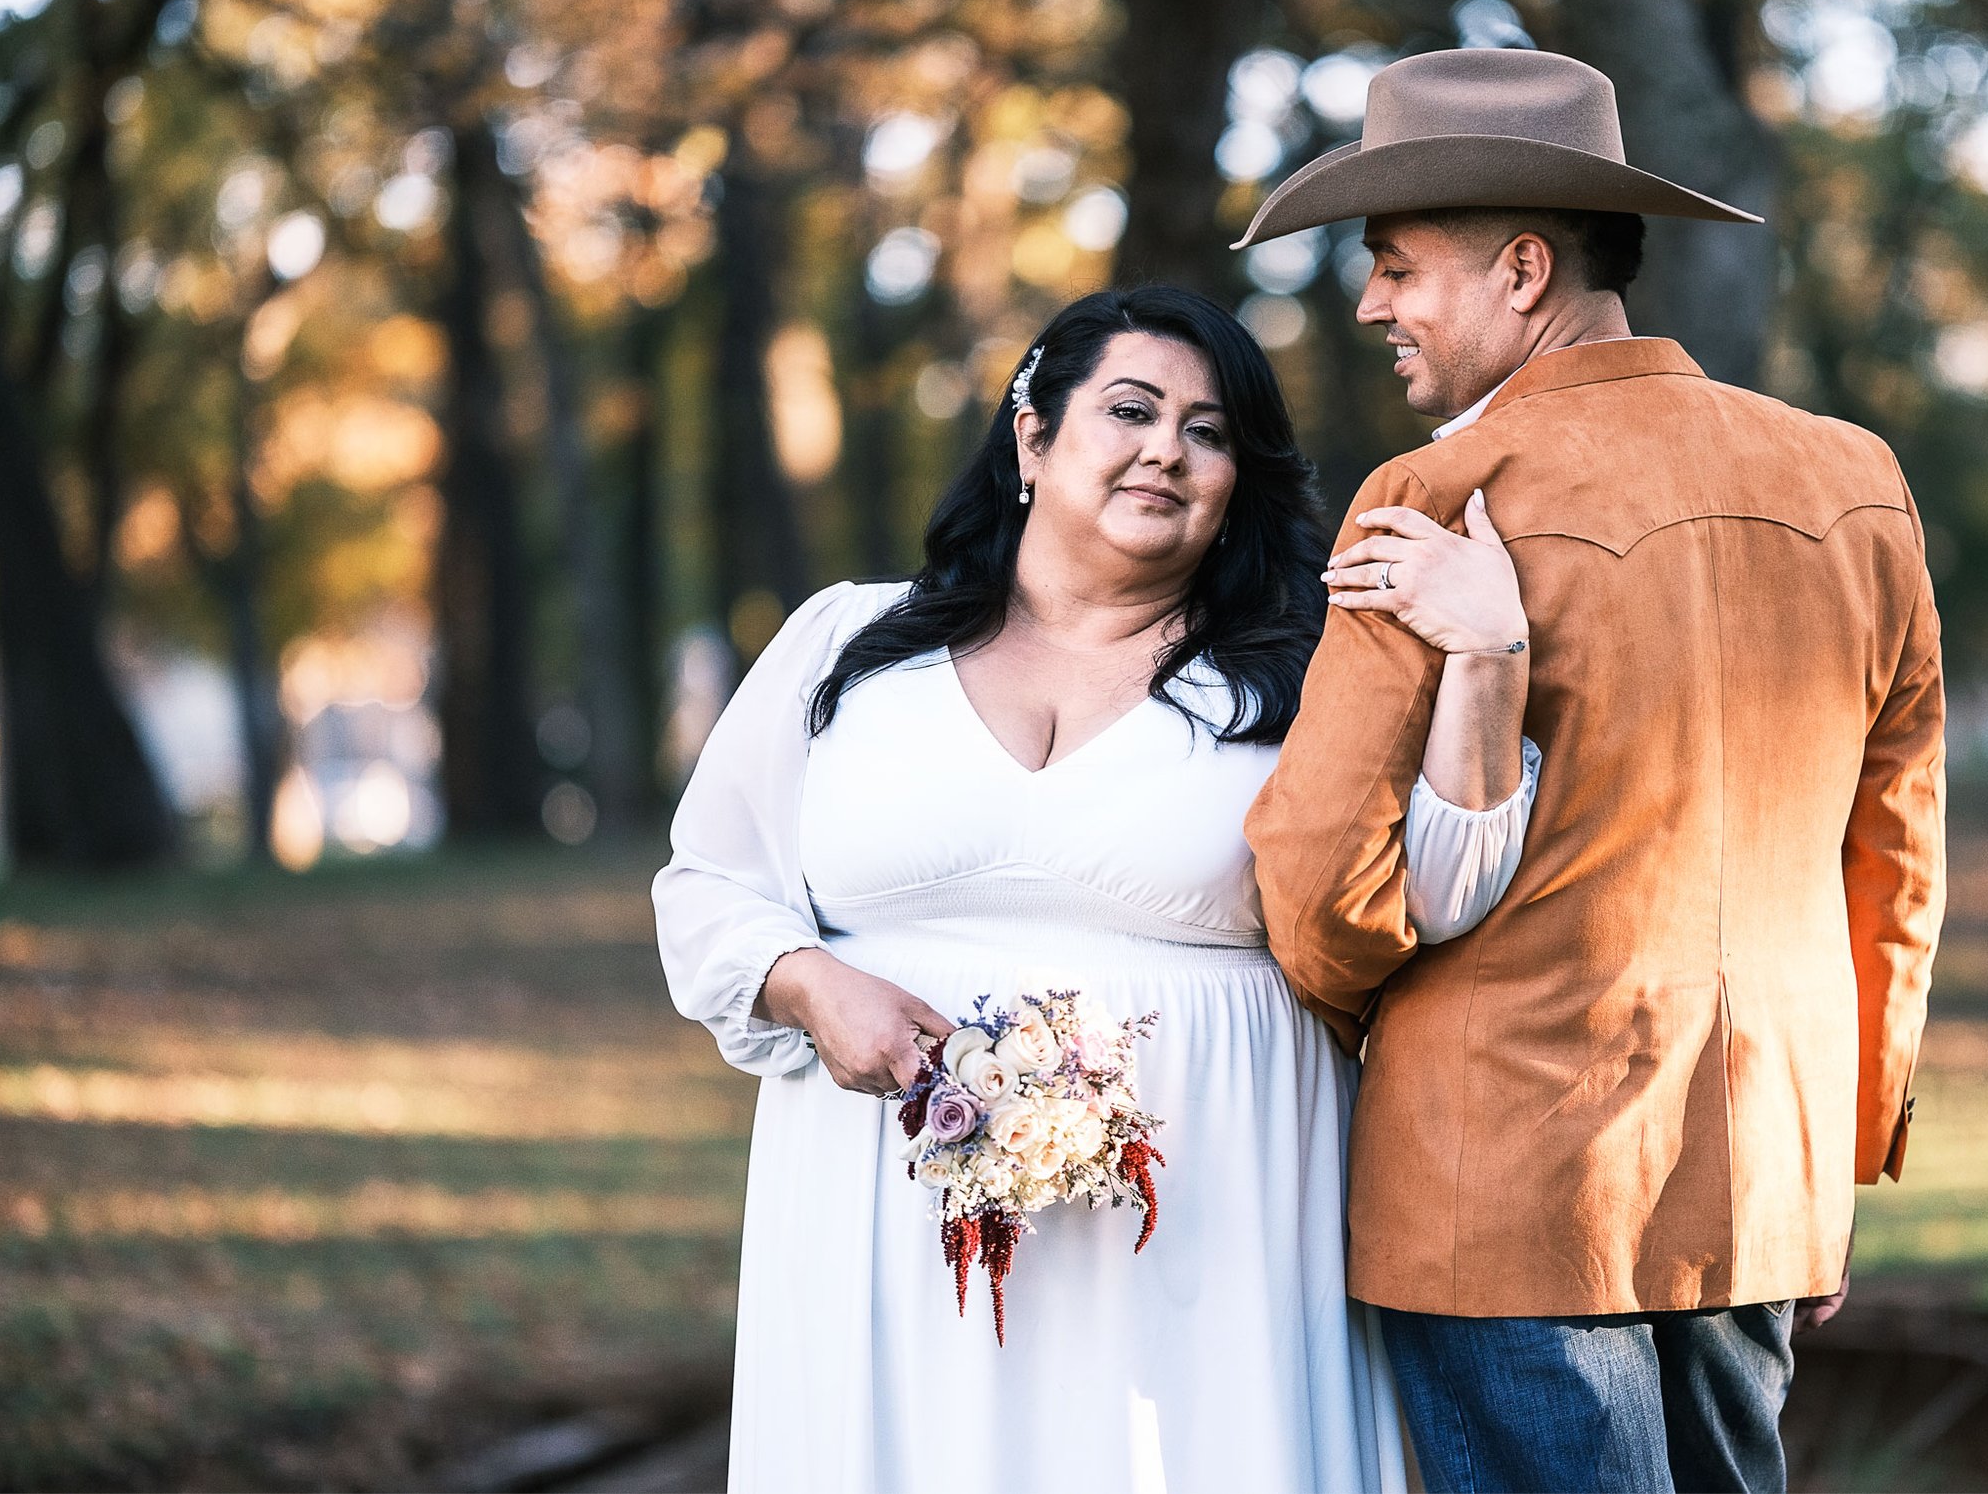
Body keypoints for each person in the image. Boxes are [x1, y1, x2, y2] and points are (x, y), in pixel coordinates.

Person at [655, 285, 1541, 1494]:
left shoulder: (1296, 679)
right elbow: (710, 881)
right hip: (882, 1204)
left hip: (1210, 1217)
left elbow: (1439, 893)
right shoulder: (849, 645)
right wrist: (807, 984)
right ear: (1032, 434)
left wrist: (1489, 658)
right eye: (1129, 409)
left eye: (1209, 430)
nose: (1166, 449)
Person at [1242, 47, 1947, 1493]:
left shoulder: (1435, 499)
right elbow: (1897, 858)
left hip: (1499, 1186)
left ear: (1519, 268)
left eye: (1393, 266)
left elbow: (1316, 902)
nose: (1372, 304)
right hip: (1764, 1169)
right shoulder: (1857, 483)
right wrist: (1845, 1143)